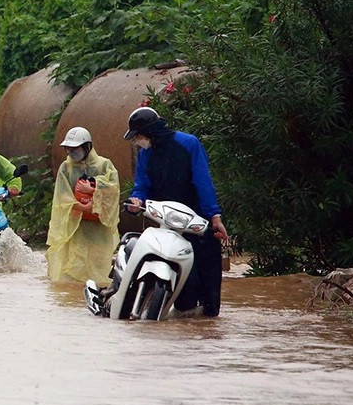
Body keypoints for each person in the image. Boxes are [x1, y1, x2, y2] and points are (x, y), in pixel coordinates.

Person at [123, 106, 229, 317]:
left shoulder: (188, 143)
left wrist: (214, 216)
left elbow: (203, 182)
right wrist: (136, 200)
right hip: (167, 222)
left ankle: (208, 321)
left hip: (197, 218)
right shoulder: (146, 154)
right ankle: (181, 312)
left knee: (208, 273)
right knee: (180, 280)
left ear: (151, 131)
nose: (138, 141)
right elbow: (141, 186)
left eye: (139, 136)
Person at [46, 126, 120, 285]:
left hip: (99, 228)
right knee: (74, 265)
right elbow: (62, 196)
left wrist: (93, 190)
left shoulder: (105, 165)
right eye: (68, 149)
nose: (71, 152)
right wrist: (83, 207)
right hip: (76, 226)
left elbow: (113, 191)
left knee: (99, 266)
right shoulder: (66, 168)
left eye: (75, 148)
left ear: (87, 147)